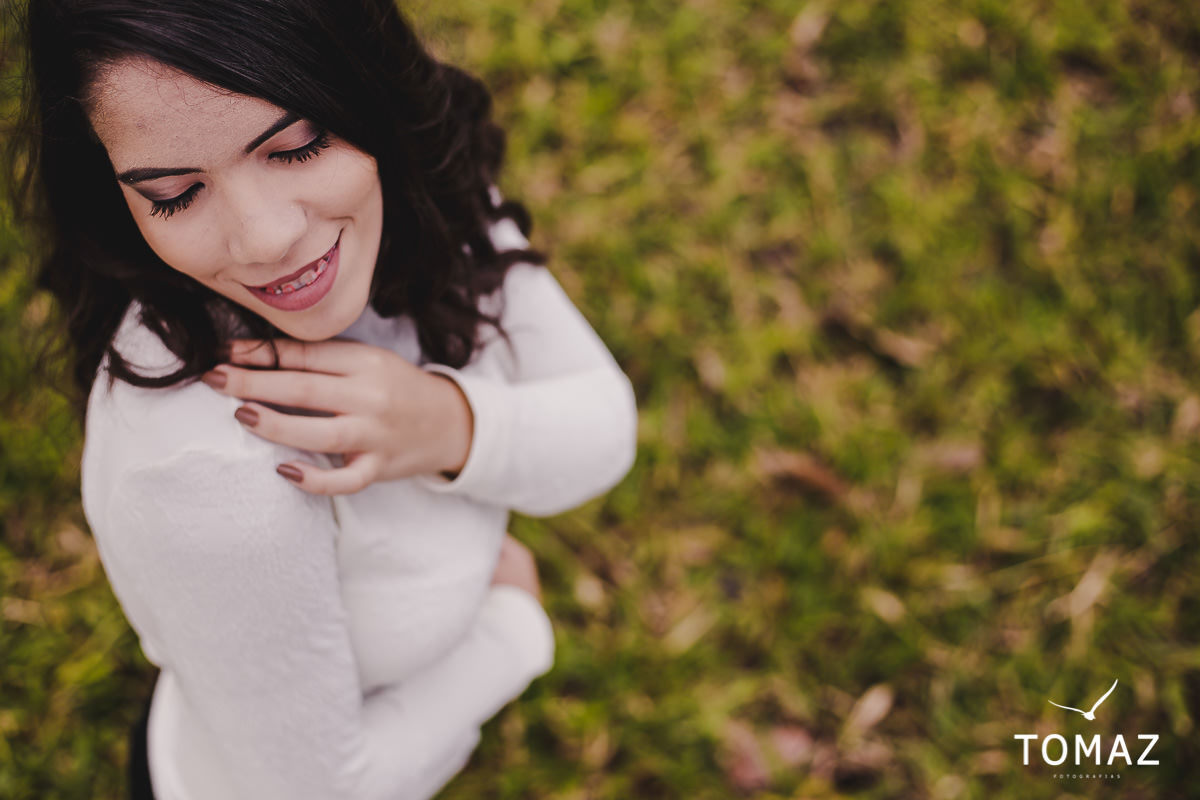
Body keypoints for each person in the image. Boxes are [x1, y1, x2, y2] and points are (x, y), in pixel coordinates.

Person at [11, 1, 638, 798]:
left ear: (367, 85)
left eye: (297, 145)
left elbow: (605, 425)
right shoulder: (206, 468)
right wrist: (511, 632)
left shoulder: (424, 183)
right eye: (172, 193)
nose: (266, 238)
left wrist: (452, 427)